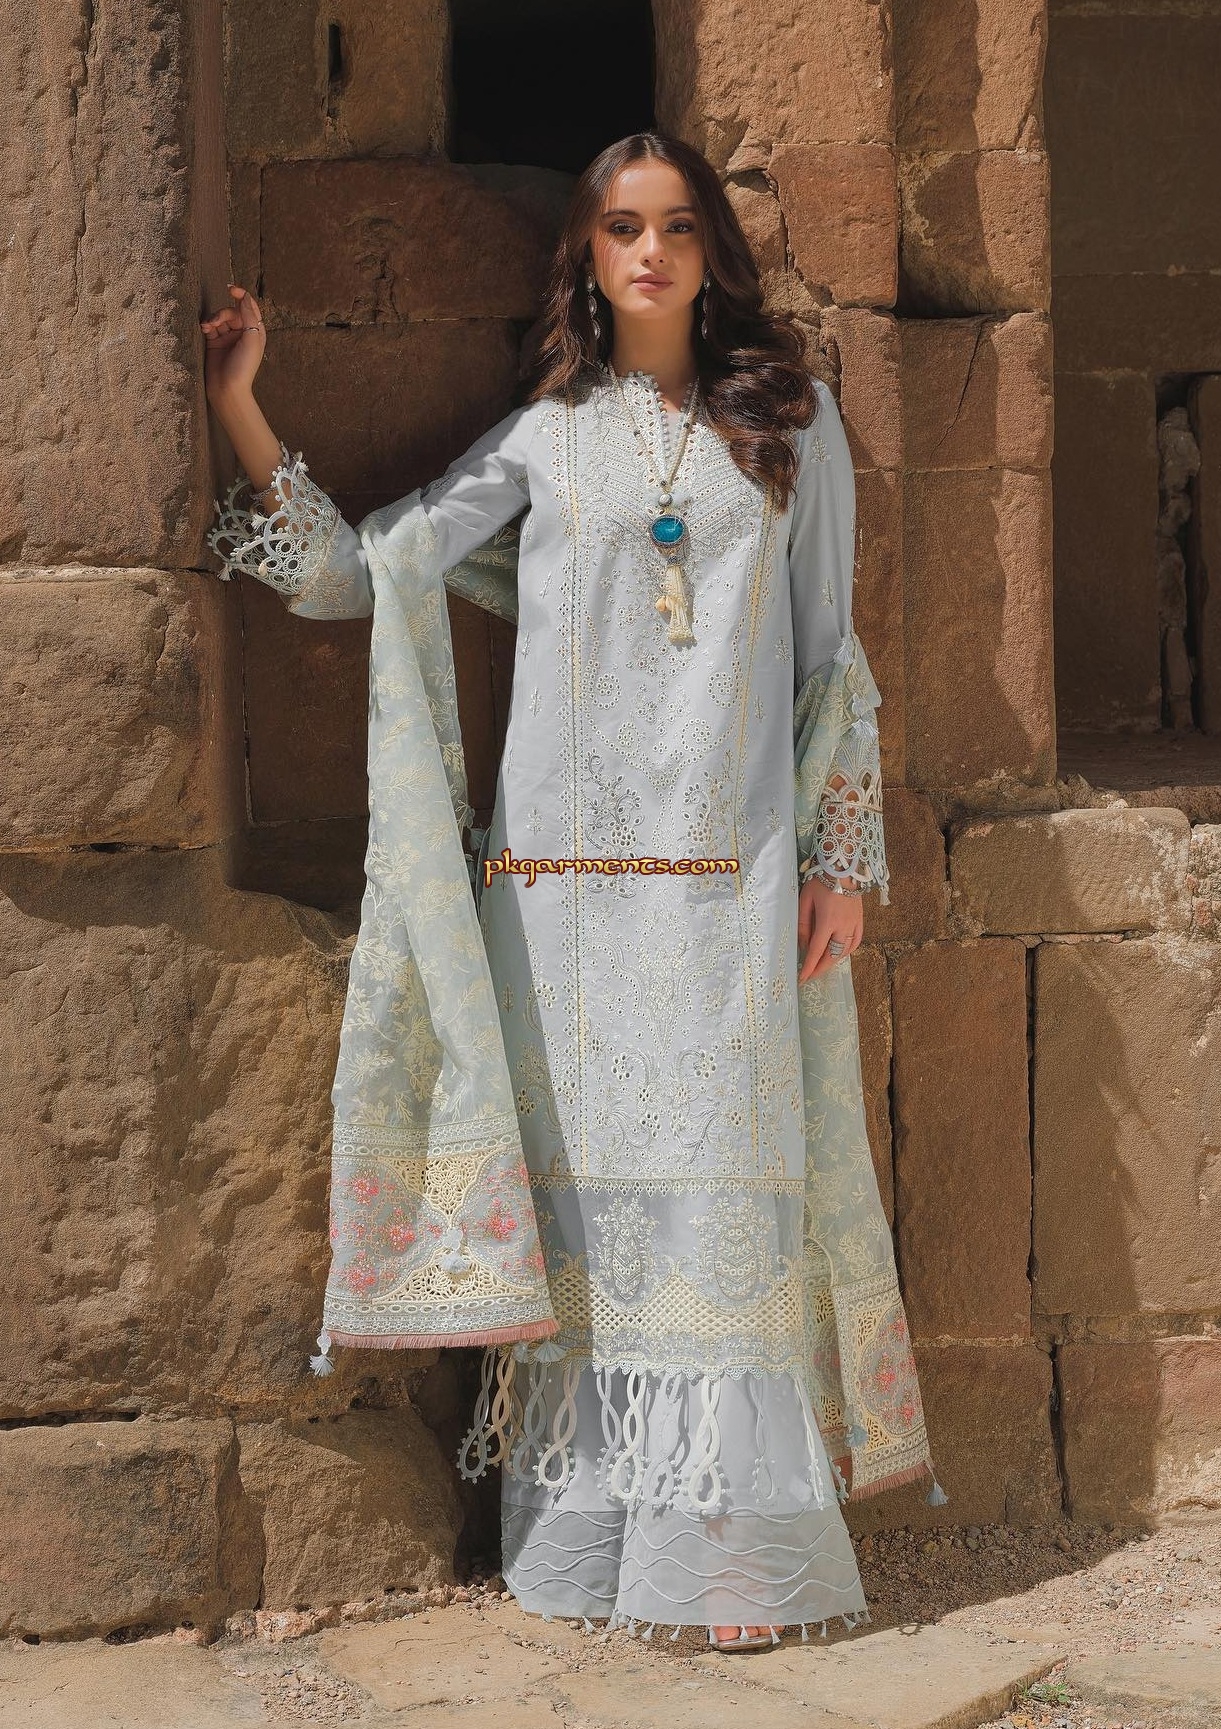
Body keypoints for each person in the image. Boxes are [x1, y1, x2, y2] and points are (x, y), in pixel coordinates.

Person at [201, 131, 939, 1652]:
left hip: (726, 887)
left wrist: (840, 861)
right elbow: (366, 573)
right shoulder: (544, 441)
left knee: (719, 1209)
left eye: (676, 227)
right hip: (561, 907)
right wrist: (240, 405)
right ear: (589, 259)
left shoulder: (791, 427)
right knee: (595, 1221)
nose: (649, 252)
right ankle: (598, 1544)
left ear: (710, 252)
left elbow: (829, 657)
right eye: (621, 228)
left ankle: (726, 1556)